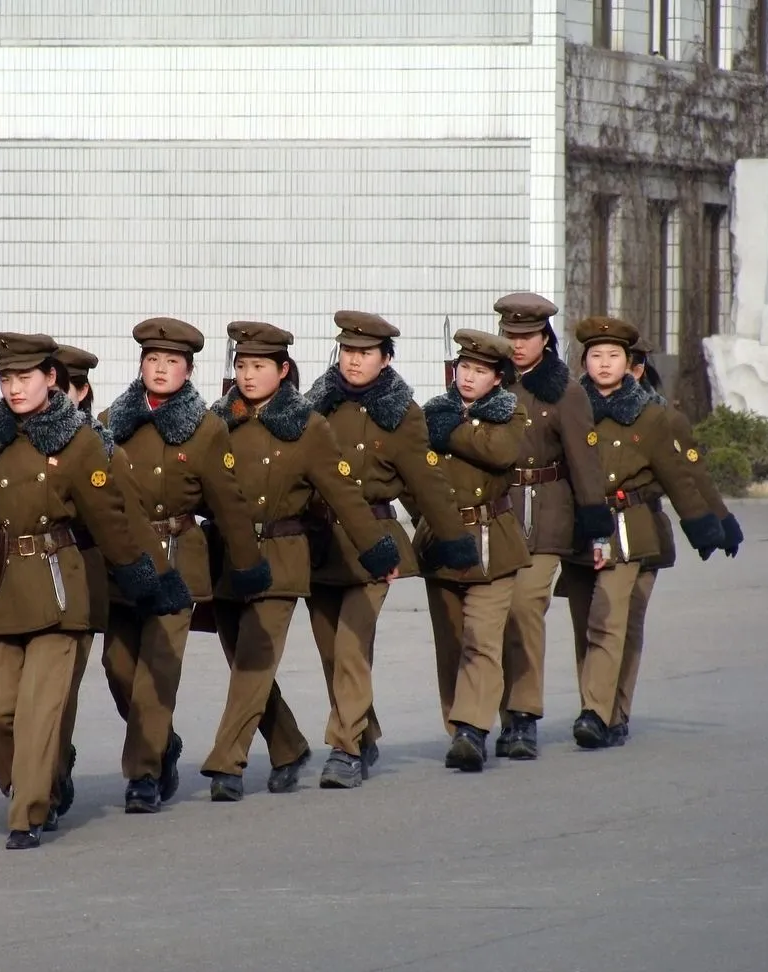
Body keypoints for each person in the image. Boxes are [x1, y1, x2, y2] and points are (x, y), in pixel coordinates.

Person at [0, 332, 185, 850]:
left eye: (24, 377)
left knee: (41, 711)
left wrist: (146, 577)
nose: (14, 388)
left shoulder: (80, 442)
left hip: (58, 593)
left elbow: (112, 518)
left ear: (51, 379)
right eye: (6, 378)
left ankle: (28, 811)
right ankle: (27, 784)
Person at [200, 320, 401, 802]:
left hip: (282, 557)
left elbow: (343, 493)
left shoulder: (307, 426)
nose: (248, 376)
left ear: (283, 370)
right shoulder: (216, 421)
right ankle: (288, 746)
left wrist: (377, 548)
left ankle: (227, 762)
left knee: (253, 658)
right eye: (242, 365)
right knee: (242, 662)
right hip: (226, 557)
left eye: (259, 366)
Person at [302, 310, 478, 788]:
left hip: (375, 547)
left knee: (352, 645)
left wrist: (453, 539)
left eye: (365, 353)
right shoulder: (313, 406)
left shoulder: (401, 415)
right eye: (348, 352)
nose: (354, 361)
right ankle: (364, 730)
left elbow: (426, 483)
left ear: (385, 359)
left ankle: (343, 747)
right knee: (329, 654)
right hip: (320, 546)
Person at [556, 316, 726, 750]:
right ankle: (602, 711)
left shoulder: (652, 416)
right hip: (580, 531)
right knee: (589, 629)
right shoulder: (570, 407)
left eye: (614, 356)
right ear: (584, 361)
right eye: (596, 356)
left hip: (631, 531)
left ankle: (600, 712)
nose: (605, 364)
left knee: (612, 623)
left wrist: (707, 526)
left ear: (630, 363)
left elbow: (681, 475)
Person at [50, 342, 193, 820]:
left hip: (158, 562)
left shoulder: (107, 437)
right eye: (152, 359)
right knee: (114, 671)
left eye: (171, 361)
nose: (160, 369)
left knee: (152, 674)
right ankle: (53, 771)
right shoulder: (110, 423)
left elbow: (227, 501)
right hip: (93, 571)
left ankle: (145, 771)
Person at [491, 293, 613, 761]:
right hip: (499, 511)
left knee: (525, 605)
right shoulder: (490, 384)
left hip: (548, 513)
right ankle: (495, 715)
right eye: (511, 336)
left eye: (527, 337)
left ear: (546, 339)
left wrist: (596, 527)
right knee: (495, 615)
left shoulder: (564, 390)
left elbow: (585, 463)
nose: (517, 345)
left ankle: (523, 715)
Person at [603, 336, 743, 744]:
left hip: (643, 527)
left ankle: (617, 709)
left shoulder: (663, 418)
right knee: (598, 626)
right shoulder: (585, 410)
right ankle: (596, 708)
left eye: (621, 362)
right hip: (593, 533)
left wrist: (720, 518)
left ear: (637, 368)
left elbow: (690, 476)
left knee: (626, 624)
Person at [415, 330, 531, 772]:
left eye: (480, 371)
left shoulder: (509, 413)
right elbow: (413, 473)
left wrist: (455, 430)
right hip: (441, 541)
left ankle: (473, 727)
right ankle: (458, 726)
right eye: (464, 367)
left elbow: (499, 452)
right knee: (451, 641)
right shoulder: (432, 412)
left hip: (490, 542)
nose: (468, 377)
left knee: (482, 640)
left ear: (497, 379)